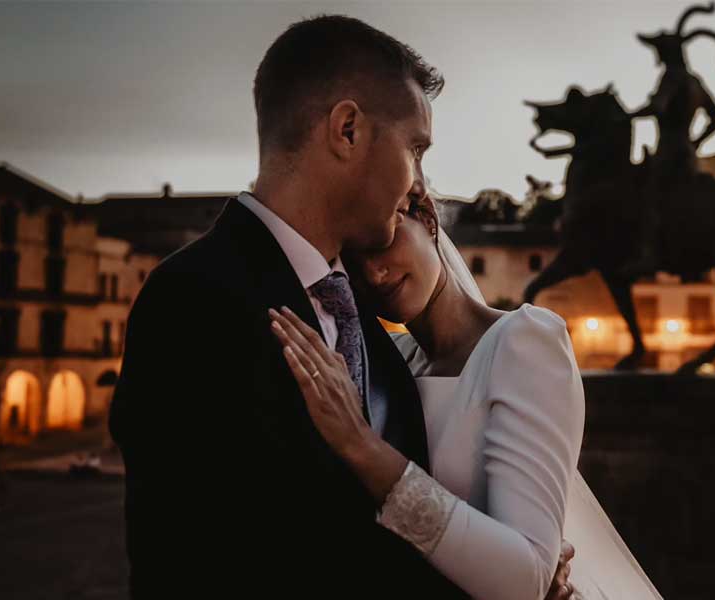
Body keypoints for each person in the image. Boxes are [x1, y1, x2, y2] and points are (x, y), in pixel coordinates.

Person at [109, 15, 575, 598]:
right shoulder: (191, 298)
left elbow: (378, 542)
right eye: (415, 148)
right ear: (348, 130)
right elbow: (191, 560)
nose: (417, 183)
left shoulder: (370, 323)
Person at [270, 193, 662, 600]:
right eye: (352, 262)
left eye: (384, 241)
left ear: (426, 218)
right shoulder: (388, 362)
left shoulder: (524, 340)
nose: (374, 273)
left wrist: (360, 445)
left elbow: (526, 578)